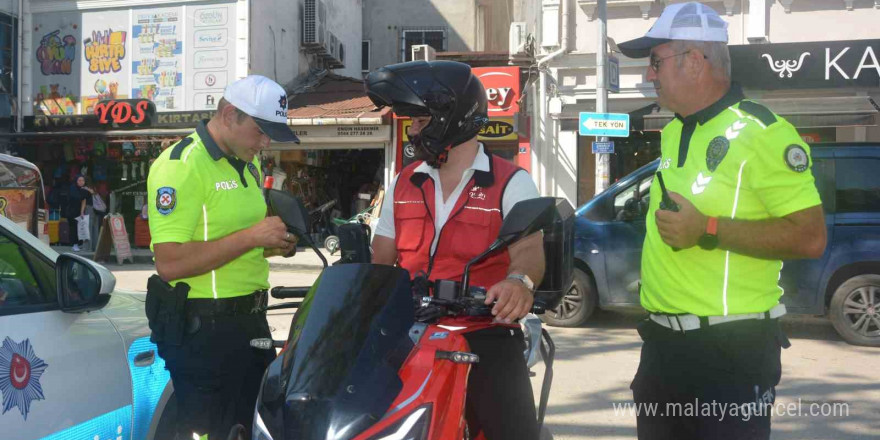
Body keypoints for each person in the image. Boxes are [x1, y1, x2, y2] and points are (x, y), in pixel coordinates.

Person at [616, 3, 827, 439]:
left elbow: (810, 238)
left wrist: (707, 230)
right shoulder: (675, 130)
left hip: (732, 351)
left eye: (655, 62)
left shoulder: (764, 133)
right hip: (663, 347)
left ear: (694, 61)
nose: (649, 75)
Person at [366, 60, 545, 440]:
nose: (411, 129)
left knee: (515, 432)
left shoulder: (511, 181)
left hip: (485, 331)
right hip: (410, 332)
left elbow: (529, 251)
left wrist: (518, 281)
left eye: (419, 120)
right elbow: (380, 262)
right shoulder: (403, 182)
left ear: (452, 118)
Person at [146, 75, 300, 440]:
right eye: (261, 132)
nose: (264, 144)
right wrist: (251, 236)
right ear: (230, 115)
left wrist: (271, 245)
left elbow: (233, 240)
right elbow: (168, 263)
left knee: (252, 427)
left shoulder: (246, 164)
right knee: (209, 432)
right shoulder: (180, 165)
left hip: (250, 321)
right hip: (204, 330)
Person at [66, 174, 91, 251]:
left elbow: (84, 200)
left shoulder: (83, 189)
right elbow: (77, 198)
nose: (81, 182)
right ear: (76, 181)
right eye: (79, 180)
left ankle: (79, 244)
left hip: (79, 211)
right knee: (73, 228)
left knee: (80, 228)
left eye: (83, 180)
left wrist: (82, 212)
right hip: (71, 211)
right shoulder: (72, 188)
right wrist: (85, 191)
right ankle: (74, 244)